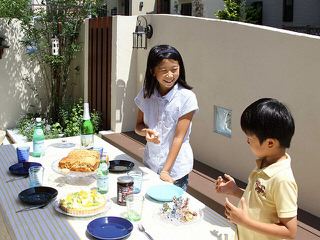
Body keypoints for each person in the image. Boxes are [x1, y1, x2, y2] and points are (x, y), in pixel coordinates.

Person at [215, 98, 297, 240]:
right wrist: (236, 191)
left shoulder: (282, 180)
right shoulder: (264, 163)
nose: (247, 142)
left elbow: (290, 231)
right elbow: (261, 204)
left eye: (250, 139)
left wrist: (245, 222)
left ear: (270, 142)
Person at [134, 45, 198, 191]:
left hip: (175, 171)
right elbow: (137, 126)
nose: (170, 75)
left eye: (174, 69)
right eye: (164, 70)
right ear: (152, 71)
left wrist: (165, 171)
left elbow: (178, 138)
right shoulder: (145, 94)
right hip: (150, 164)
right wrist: (146, 132)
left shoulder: (186, 97)